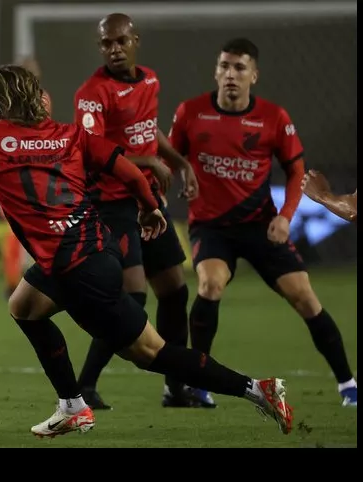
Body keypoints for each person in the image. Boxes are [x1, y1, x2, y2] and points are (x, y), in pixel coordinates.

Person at [0, 64, 295, 437]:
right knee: (23, 305)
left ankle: (257, 388)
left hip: (76, 269)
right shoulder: (68, 135)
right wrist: (150, 208)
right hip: (93, 251)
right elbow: (127, 169)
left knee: (151, 353)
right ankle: (72, 404)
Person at [170, 38, 357, 407]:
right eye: (224, 66)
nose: (230, 75)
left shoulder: (274, 118)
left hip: (261, 225)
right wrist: (179, 174)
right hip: (212, 227)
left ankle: (348, 383)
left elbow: (296, 170)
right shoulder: (190, 112)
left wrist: (286, 217)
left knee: (304, 297)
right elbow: (171, 156)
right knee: (209, 285)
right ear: (216, 71)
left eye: (239, 68)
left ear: (253, 75)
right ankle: (200, 382)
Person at [64, 12, 213, 411]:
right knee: (132, 296)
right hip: (111, 204)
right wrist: (149, 163)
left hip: (147, 202)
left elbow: (148, 129)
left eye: (121, 41)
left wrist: (178, 162)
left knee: (175, 290)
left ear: (135, 41)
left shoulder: (150, 80)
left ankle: (175, 387)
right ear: (100, 47)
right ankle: (84, 388)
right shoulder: (92, 94)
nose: (115, 48)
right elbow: (91, 153)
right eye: (107, 43)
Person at [0, 56, 51, 300]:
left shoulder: (43, 100)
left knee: (38, 229)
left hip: (38, 176)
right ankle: (12, 284)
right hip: (10, 177)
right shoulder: (2, 103)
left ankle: (35, 280)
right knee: (16, 230)